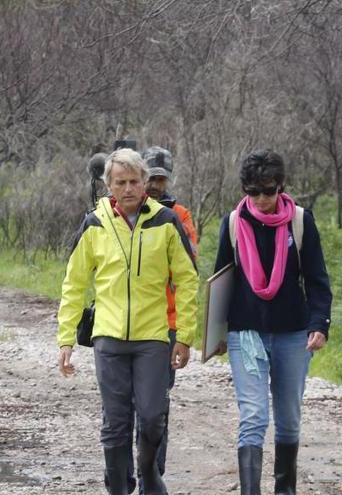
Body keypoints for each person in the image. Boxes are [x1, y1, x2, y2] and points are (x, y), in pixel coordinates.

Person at [58, 148, 199, 495]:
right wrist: (65, 339)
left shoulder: (166, 221)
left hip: (152, 338)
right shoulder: (94, 223)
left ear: (145, 182)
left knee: (152, 416)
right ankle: (118, 488)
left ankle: (150, 477)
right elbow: (74, 283)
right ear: (109, 185)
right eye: (120, 182)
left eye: (135, 181)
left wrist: (184, 335)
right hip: (108, 338)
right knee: (116, 423)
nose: (129, 188)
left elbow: (187, 279)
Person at [213, 149, 332, 495]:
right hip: (245, 333)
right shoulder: (234, 223)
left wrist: (319, 324)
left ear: (281, 186)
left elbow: (317, 280)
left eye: (268, 190)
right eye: (253, 191)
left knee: (289, 418)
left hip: (293, 333)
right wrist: (216, 333)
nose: (262, 199)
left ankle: (285, 489)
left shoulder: (300, 221)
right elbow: (222, 279)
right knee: (253, 416)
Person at [108, 146, 199, 494]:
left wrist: (186, 331)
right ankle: (124, 476)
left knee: (154, 406)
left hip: (167, 323)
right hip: (122, 328)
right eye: (153, 179)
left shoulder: (177, 216)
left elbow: (188, 267)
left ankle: (152, 474)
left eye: (161, 179)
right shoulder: (115, 214)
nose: (157, 186)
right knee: (123, 408)